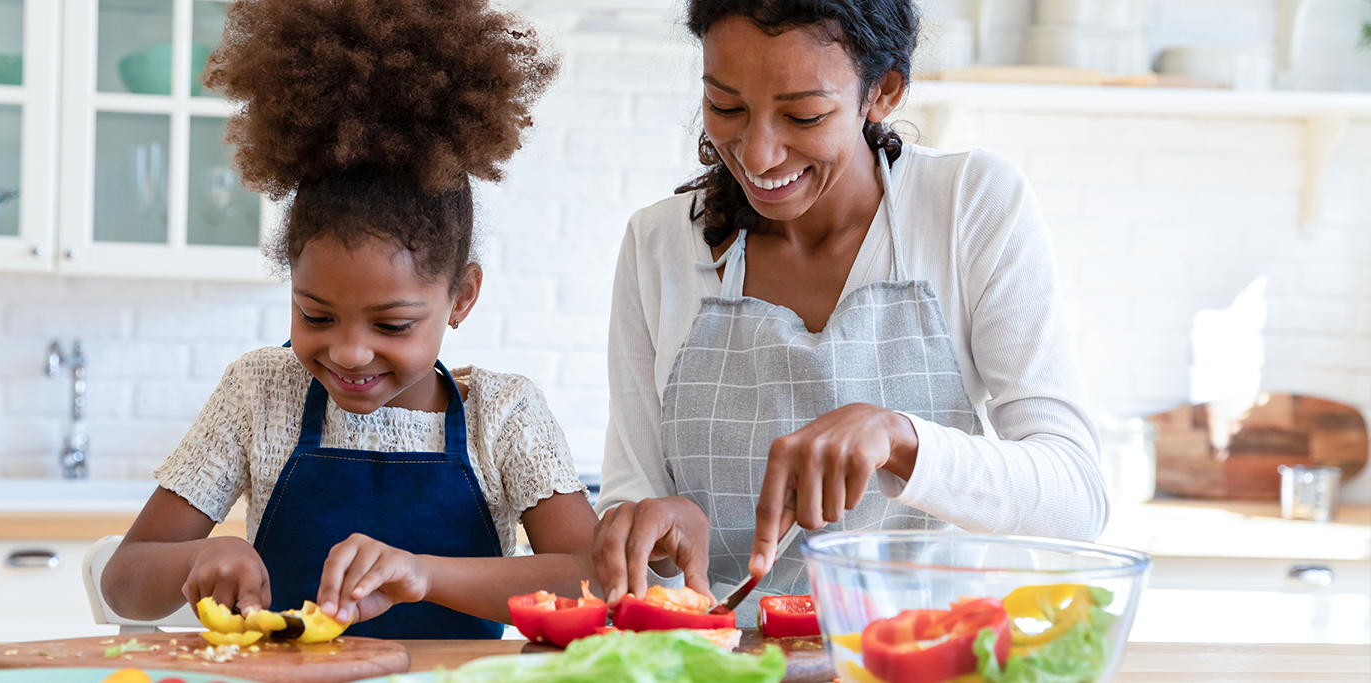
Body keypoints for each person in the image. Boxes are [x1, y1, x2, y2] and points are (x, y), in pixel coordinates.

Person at [592, 0, 1108, 625]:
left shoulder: (968, 205)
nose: (757, 155)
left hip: (919, 654)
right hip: (719, 660)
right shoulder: (658, 245)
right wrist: (654, 527)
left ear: (882, 91)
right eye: (726, 107)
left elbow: (1076, 497)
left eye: (804, 115)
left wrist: (900, 440)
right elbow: (629, 514)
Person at [101, 0, 593, 639]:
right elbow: (123, 579)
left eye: (392, 326)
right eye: (316, 314)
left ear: (462, 297)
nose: (350, 351)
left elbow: (592, 584)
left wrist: (425, 574)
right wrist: (198, 558)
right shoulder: (259, 394)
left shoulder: (504, 417)